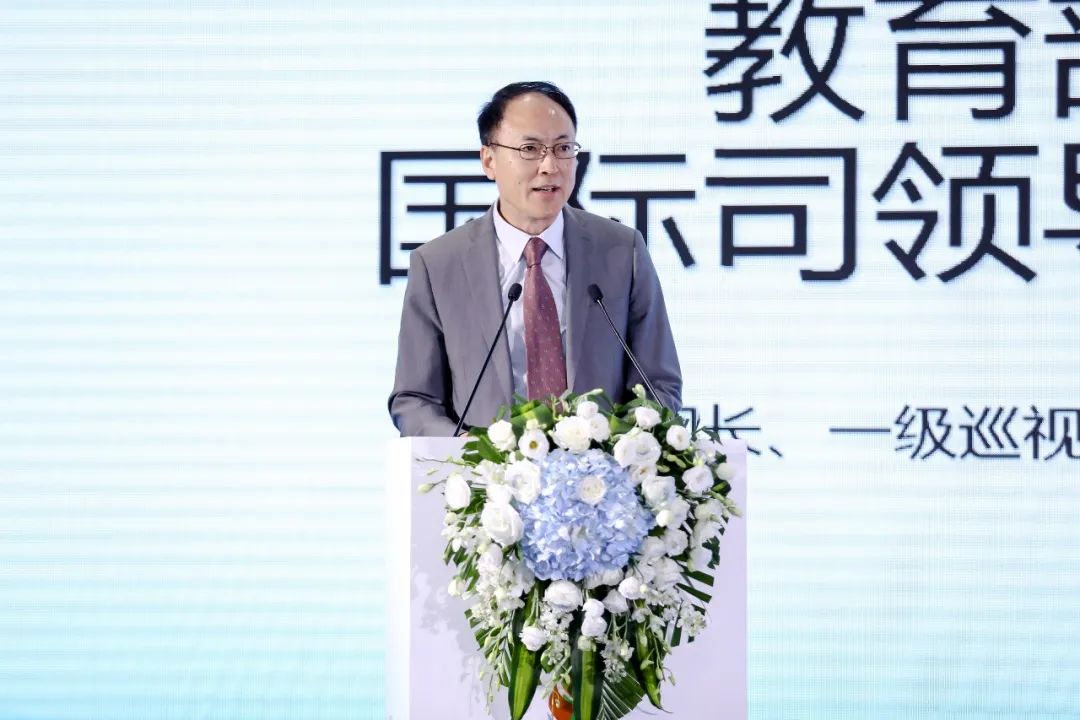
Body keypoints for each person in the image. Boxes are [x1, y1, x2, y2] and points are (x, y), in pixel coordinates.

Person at [389, 81, 681, 437]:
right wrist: (468, 453)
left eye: (563, 148)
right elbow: (415, 399)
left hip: (598, 470)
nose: (550, 165)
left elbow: (658, 384)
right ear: (489, 160)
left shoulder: (621, 251)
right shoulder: (439, 264)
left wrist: (618, 446)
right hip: (482, 470)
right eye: (530, 149)